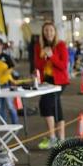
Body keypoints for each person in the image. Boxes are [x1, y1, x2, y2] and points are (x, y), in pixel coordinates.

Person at [34, 22, 69, 150]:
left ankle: (53, 138)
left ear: (55, 32)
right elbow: (37, 65)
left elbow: (63, 65)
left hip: (59, 81)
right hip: (46, 80)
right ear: (43, 32)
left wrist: (52, 56)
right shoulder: (39, 46)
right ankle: (61, 139)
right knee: (55, 106)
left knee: (46, 104)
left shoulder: (60, 45)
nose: (48, 33)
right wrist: (42, 58)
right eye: (46, 30)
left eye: (51, 30)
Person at [0, 37, 18, 124]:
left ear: (1, 45)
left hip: (7, 84)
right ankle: (4, 125)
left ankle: (15, 124)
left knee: (10, 105)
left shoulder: (6, 57)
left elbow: (12, 66)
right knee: (0, 107)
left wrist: (6, 72)